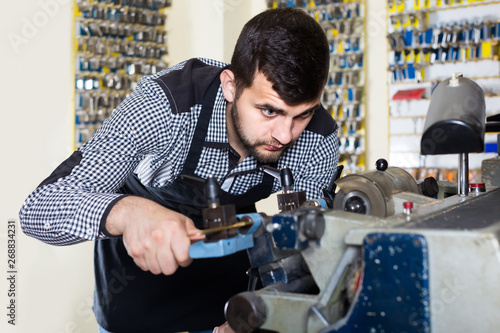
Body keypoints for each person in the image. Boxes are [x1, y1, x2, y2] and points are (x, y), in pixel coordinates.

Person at [19, 7, 339, 333]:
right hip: (137, 283)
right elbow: (38, 209)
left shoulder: (318, 137)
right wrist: (128, 213)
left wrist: (268, 306)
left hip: (228, 293)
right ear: (231, 86)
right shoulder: (165, 105)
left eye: (302, 115)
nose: (285, 135)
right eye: (269, 110)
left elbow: (314, 248)